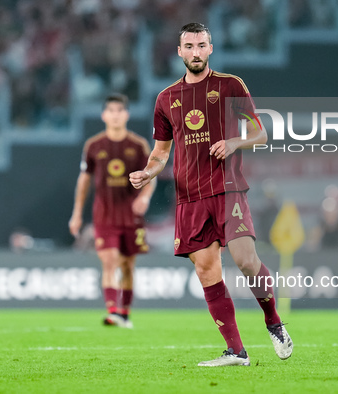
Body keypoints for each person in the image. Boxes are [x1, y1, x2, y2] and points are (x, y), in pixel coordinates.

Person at [129, 22, 293, 367]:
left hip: (228, 190)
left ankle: (273, 322)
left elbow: (260, 133)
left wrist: (235, 141)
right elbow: (161, 153)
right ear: (179, 52)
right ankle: (236, 350)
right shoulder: (166, 99)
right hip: (189, 198)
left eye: (201, 45)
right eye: (189, 46)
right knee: (207, 272)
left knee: (246, 260)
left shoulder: (230, 86)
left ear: (211, 48)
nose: (196, 52)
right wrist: (148, 171)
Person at [69, 93, 155, 329]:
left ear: (126, 115)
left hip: (131, 215)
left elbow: (150, 176)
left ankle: (124, 313)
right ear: (104, 115)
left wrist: (145, 197)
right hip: (104, 214)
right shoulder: (94, 146)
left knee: (127, 265)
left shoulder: (137, 146)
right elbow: (84, 181)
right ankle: (112, 311)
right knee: (110, 260)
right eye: (111, 111)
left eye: (120, 111)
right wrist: (77, 213)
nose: (116, 115)